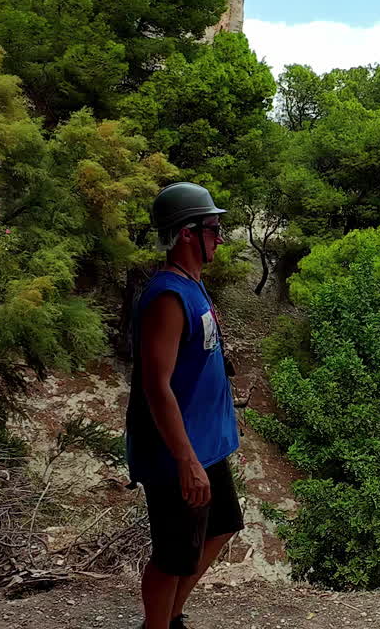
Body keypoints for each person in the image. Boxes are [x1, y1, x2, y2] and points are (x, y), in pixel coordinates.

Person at [127, 182, 242, 629]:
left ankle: (170, 617)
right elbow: (156, 386)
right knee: (174, 554)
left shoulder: (193, 286)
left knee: (222, 526)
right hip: (179, 452)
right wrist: (186, 461)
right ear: (187, 233)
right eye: (213, 227)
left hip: (204, 445)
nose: (219, 236)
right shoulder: (167, 297)